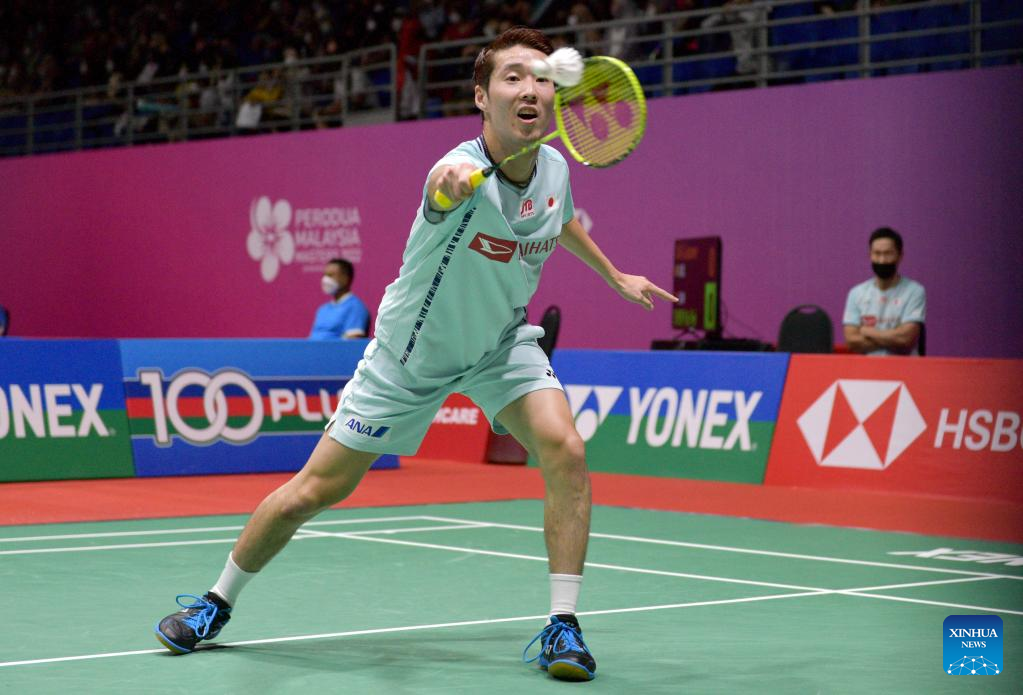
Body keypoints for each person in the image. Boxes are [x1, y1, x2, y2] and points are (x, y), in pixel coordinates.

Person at [154, 26, 676, 683]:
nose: (530, 89)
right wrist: (451, 184)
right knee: (311, 492)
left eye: (542, 79)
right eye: (513, 77)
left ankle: (562, 624)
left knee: (565, 449)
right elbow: (442, 190)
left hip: (498, 343)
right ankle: (215, 601)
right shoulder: (454, 171)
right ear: (481, 97)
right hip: (409, 357)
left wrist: (614, 274)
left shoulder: (554, 166)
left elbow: (560, 216)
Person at [843, 227, 926, 355]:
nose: (882, 260)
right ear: (870, 255)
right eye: (877, 253)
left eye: (888, 253)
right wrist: (894, 336)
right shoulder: (856, 293)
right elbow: (851, 341)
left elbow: (906, 339)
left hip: (905, 366)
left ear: (900, 255)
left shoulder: (915, 291)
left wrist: (868, 332)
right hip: (867, 366)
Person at [308, 258, 371, 340]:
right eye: (325, 275)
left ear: (345, 278)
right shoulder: (322, 309)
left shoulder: (356, 307)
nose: (325, 280)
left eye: (331, 275)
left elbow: (352, 341)